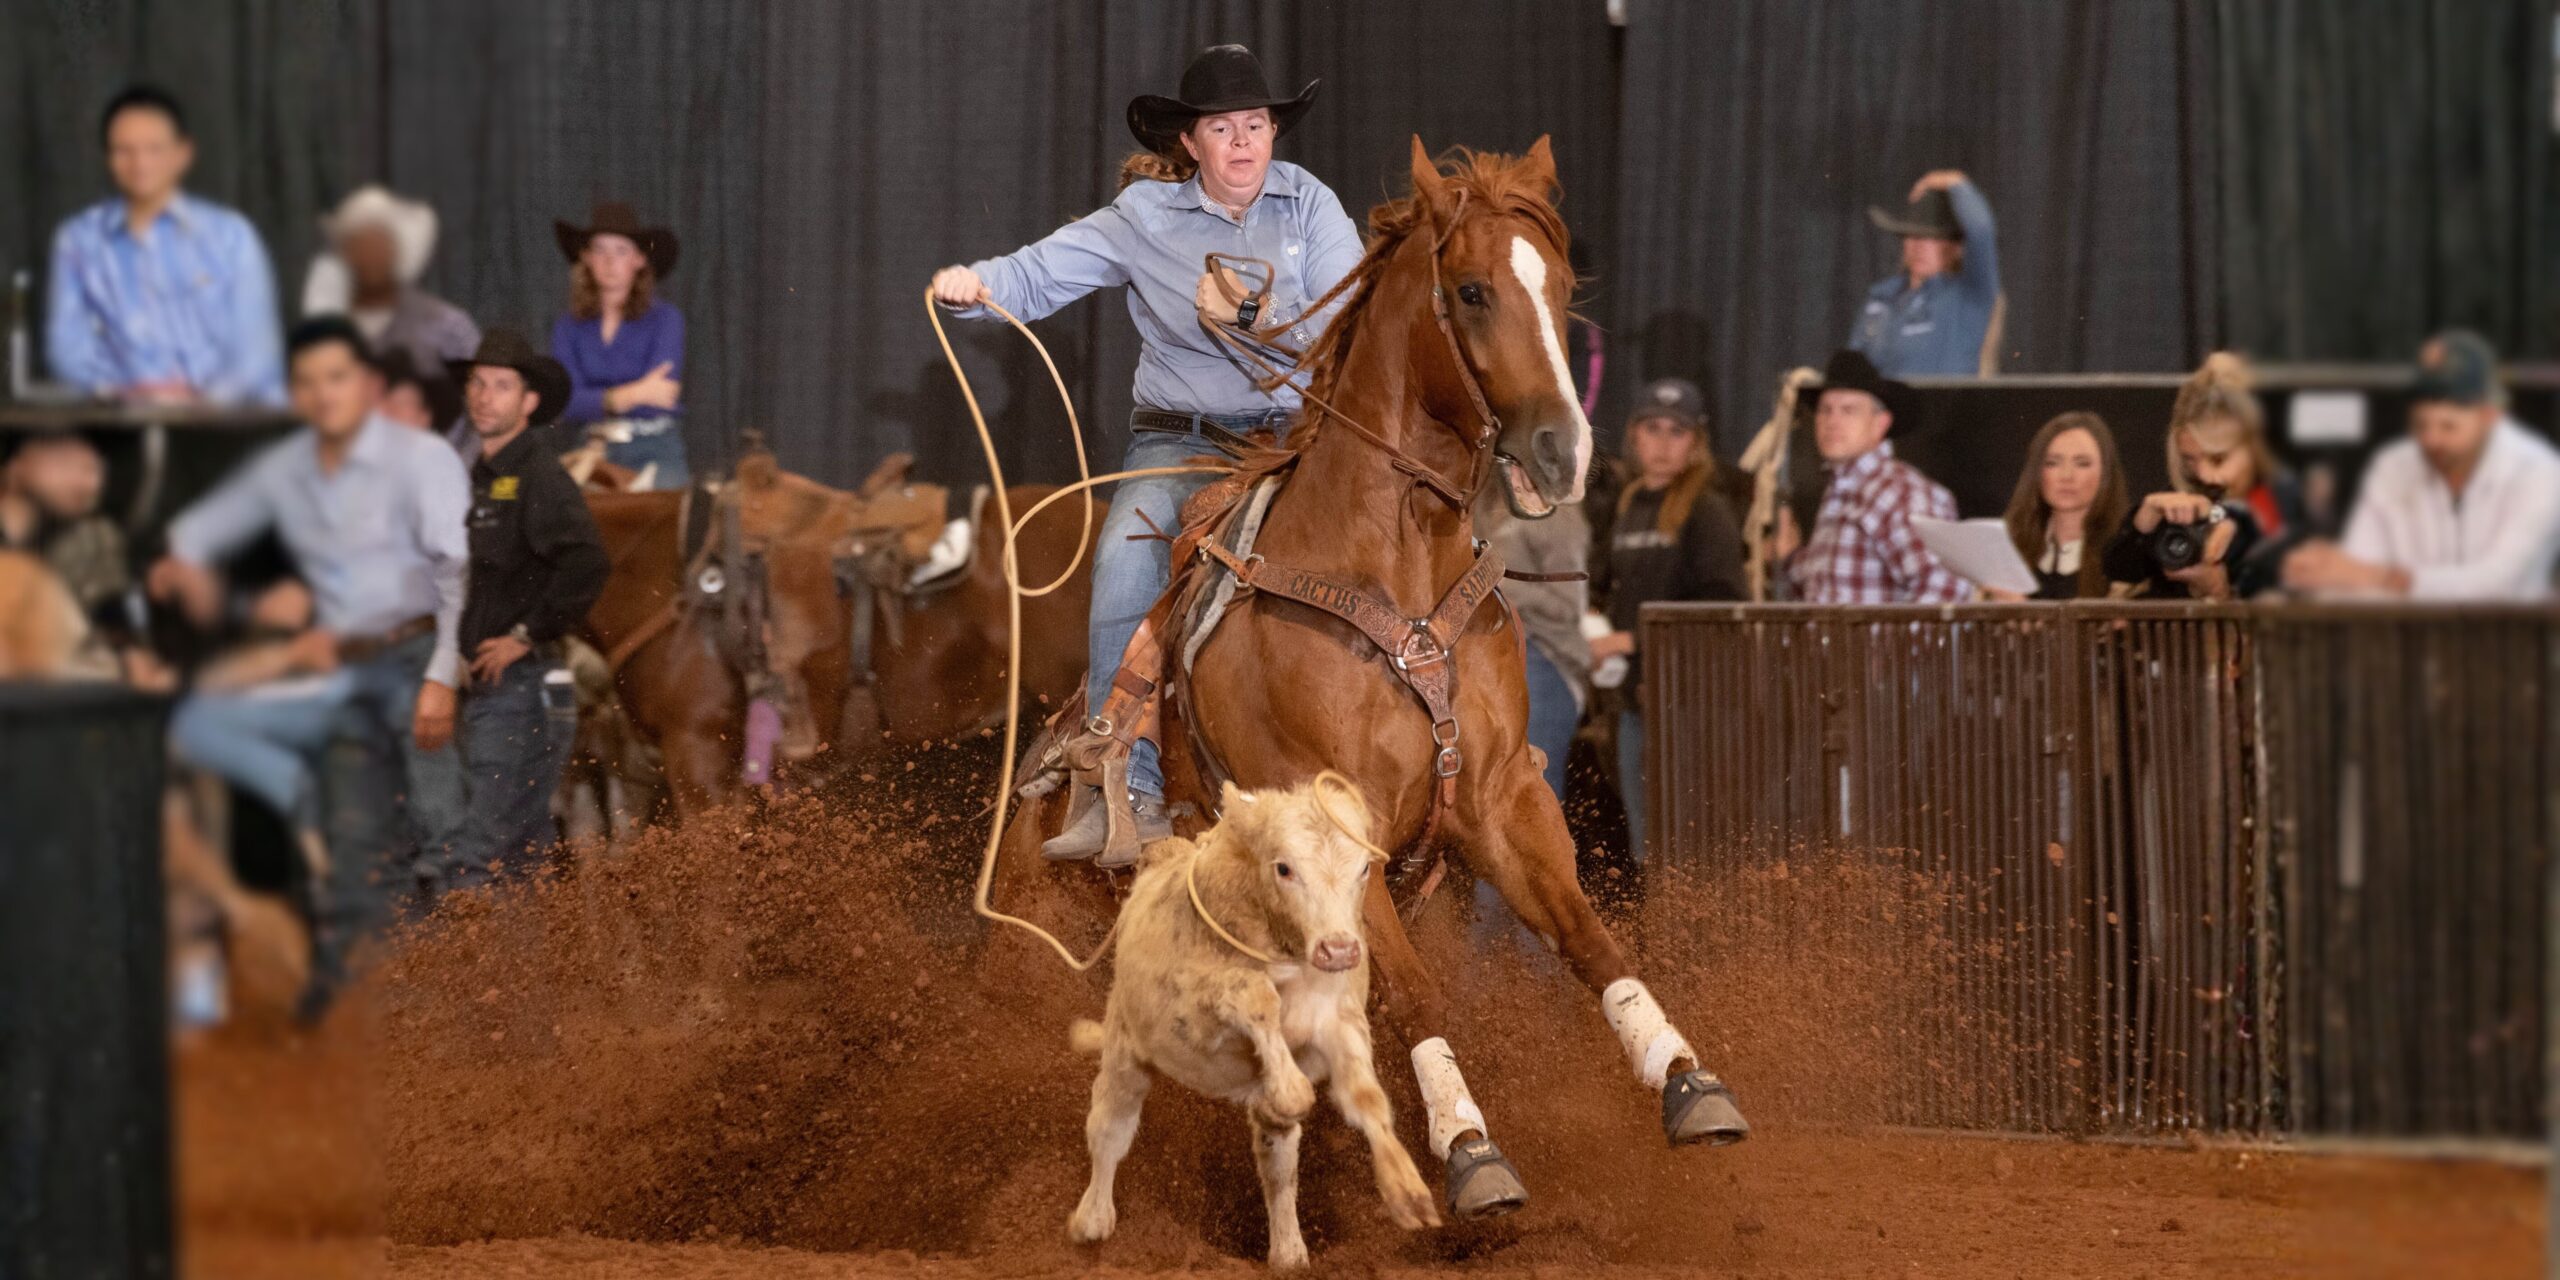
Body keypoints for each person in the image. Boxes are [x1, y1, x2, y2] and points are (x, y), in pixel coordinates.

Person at [928, 43, 1362, 862]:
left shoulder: (1310, 203)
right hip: (1182, 444)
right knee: (1128, 558)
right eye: (1223, 128)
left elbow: (1349, 321)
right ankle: (1125, 788)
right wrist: (971, 286)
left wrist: (1250, 322)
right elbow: (1033, 276)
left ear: (1274, 133)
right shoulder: (1143, 218)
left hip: (1301, 442)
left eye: (1257, 125)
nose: (1243, 142)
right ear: (1190, 144)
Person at [151, 318, 470, 1005]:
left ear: (367, 385)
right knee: (360, 845)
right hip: (346, 669)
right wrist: (188, 564)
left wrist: (443, 671)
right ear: (293, 393)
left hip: (415, 654)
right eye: (307, 381)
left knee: (444, 833)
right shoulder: (287, 468)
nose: (323, 394)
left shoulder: (421, 458)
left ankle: (484, 1006)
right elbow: (198, 529)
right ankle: (394, 1022)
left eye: (337, 377)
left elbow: (455, 569)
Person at [444, 330, 609, 891]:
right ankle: (526, 976)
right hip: (504, 691)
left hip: (521, 687)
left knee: (479, 852)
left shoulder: (537, 474)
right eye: (478, 383)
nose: (485, 396)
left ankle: (467, 977)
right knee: (518, 854)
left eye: (501, 386)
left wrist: (525, 634)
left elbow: (586, 561)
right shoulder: (481, 478)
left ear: (528, 402)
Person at [1588, 378, 1747, 863]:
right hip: (1635, 699)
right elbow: (1602, 583)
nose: (1662, 442)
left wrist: (1630, 640)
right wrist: (1593, 622)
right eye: (1652, 428)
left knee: (1686, 839)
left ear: (1695, 442)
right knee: (1647, 842)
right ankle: (1662, 937)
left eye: (1676, 431)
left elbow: (1722, 606)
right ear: (1634, 436)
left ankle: (1690, 937)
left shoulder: (1707, 509)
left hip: (1689, 703)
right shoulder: (1627, 503)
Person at [45, 84, 283, 405]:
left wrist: (197, 400)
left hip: (230, 422)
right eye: (123, 150)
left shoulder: (231, 236)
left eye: (154, 148)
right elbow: (67, 350)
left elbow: (257, 354)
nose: (140, 162)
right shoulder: (78, 240)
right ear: (107, 157)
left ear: (183, 153)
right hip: (121, 422)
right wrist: (123, 394)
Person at [2283, 330, 2560, 601]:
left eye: (2448, 426)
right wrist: (2321, 572)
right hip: (2409, 642)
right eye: (2420, 425)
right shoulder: (2393, 465)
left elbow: (2501, 583)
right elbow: (2355, 573)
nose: (2431, 439)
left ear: (2489, 415)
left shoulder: (2540, 470)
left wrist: (2382, 578)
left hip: (2515, 642)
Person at [2102, 352, 2302, 601]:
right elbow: (2118, 569)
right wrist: (2142, 524)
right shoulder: (2180, 501)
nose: (2204, 474)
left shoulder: (2288, 507)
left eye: (2218, 459)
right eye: (2189, 459)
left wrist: (2223, 591)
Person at [1778, 350, 1969, 604]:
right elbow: (1832, 587)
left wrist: (1893, 645)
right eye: (1825, 410)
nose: (1832, 421)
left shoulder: (1899, 492)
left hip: (1871, 646)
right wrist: (1792, 560)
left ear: (1880, 423)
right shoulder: (1839, 491)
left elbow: (1945, 587)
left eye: (1849, 410)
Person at [551, 202, 687, 489]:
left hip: (654, 447)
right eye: (600, 250)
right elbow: (564, 402)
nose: (609, 262)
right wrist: (634, 393)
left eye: (620, 251)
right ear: (586, 257)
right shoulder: (568, 326)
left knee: (665, 517)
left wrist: (595, 399)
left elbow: (663, 393)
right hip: (593, 448)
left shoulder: (665, 319)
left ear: (639, 260)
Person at [301, 185, 480, 379]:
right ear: (344, 255)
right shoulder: (323, 330)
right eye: (360, 248)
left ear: (398, 253)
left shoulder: (448, 327)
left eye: (378, 248)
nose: (370, 259)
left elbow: (479, 400)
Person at [1851, 169, 2000, 378]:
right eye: (1912, 235)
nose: (1919, 245)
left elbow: (1981, 230)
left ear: (1956, 248)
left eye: (1932, 238)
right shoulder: (1880, 300)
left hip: (1943, 409)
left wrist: (1952, 181)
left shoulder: (1969, 296)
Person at [0, 430, 131, 623]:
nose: (89, 482)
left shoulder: (91, 541)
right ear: (14, 465)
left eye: (93, 468)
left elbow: (110, 622)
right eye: (64, 462)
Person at [1996, 411, 2128, 600]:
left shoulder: (2125, 554)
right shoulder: (2010, 546)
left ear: (2105, 473)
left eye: (2082, 464)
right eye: (2052, 463)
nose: (2066, 476)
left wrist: (2024, 618)